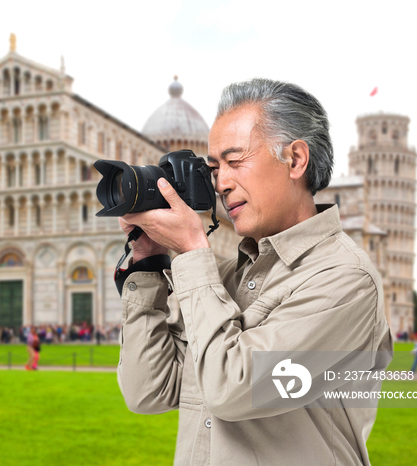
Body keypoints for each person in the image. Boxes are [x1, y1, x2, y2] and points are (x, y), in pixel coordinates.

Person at [116, 78, 393, 465]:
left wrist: (193, 251)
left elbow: (233, 389)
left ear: (296, 159)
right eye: (214, 168)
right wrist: (148, 264)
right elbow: (148, 391)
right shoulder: (223, 279)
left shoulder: (344, 280)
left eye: (235, 161)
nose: (221, 183)